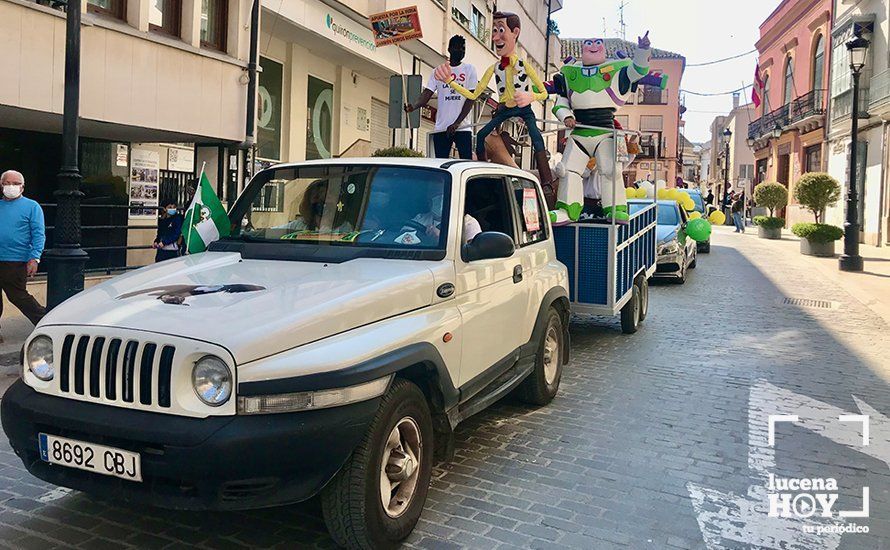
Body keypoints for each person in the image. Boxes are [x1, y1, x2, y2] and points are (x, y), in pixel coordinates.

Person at [434, 12, 555, 190]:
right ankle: (484, 175)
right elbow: (473, 95)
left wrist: (531, 96)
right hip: (504, 109)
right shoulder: (494, 68)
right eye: (494, 31)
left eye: (500, 30)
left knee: (537, 138)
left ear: (515, 32)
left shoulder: (523, 65)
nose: (495, 37)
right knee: (481, 136)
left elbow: (544, 93)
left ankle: (547, 182)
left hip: (523, 109)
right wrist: (450, 82)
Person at [551, 33, 653, 224]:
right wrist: (567, 116)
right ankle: (567, 209)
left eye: (598, 43)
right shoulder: (569, 74)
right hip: (579, 132)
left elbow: (638, 70)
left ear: (604, 49)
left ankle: (615, 209)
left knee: (611, 171)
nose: (593, 45)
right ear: (582, 49)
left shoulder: (616, 70)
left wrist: (643, 50)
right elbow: (560, 102)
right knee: (567, 170)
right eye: (588, 43)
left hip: (605, 132)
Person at [405, 35, 477, 160]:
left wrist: (457, 123)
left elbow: (471, 98)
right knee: (440, 164)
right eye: (457, 48)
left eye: (463, 49)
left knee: (466, 163)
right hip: (442, 127)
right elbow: (427, 94)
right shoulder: (438, 71)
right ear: (449, 49)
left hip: (463, 128)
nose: (460, 51)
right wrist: (414, 106)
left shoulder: (469, 70)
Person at [0, 170, 46, 342]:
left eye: (15, 183)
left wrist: (35, 257)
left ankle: (44, 320)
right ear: (1, 185)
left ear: (22, 187)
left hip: (16, 260)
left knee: (18, 296)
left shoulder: (31, 207)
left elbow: (38, 233)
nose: (11, 186)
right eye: (7, 183)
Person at [409, 193, 481, 244]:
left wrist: (441, 239)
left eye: (443, 193)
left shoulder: (467, 222)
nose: (440, 198)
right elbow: (402, 235)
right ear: (429, 200)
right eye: (435, 194)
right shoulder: (419, 218)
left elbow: (474, 253)